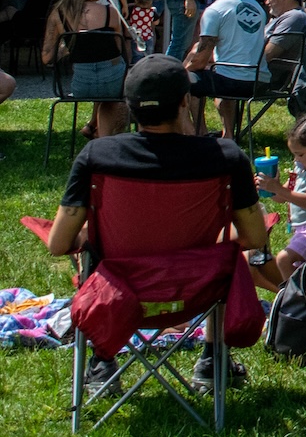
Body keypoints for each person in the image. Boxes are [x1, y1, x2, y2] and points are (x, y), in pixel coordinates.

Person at [44, 55, 268, 396]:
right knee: (225, 252)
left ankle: (102, 360)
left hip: (121, 293)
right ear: (183, 103)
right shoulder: (224, 156)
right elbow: (254, 236)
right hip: (195, 294)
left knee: (91, 249)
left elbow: (58, 244)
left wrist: (90, 234)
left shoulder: (96, 156)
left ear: (131, 106)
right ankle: (212, 359)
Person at [251, 112, 306, 290]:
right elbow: (282, 197)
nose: (296, 159)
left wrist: (278, 188)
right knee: (297, 267)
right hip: (302, 229)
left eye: (300, 154)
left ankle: (293, 297)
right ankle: (303, 294)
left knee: (284, 259)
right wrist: (269, 188)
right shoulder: (299, 168)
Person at [40, 0, 132, 140]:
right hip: (112, 82)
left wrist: (67, 46)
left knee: (105, 88)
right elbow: (119, 50)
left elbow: (46, 58)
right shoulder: (110, 13)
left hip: (81, 85)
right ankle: (106, 138)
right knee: (117, 89)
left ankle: (94, 129)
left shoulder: (57, 14)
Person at [184, 0, 268, 140]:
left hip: (231, 80)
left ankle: (197, 134)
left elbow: (201, 59)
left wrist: (180, 71)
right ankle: (228, 135)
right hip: (258, 79)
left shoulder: (216, 10)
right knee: (220, 72)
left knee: (187, 80)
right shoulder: (258, 8)